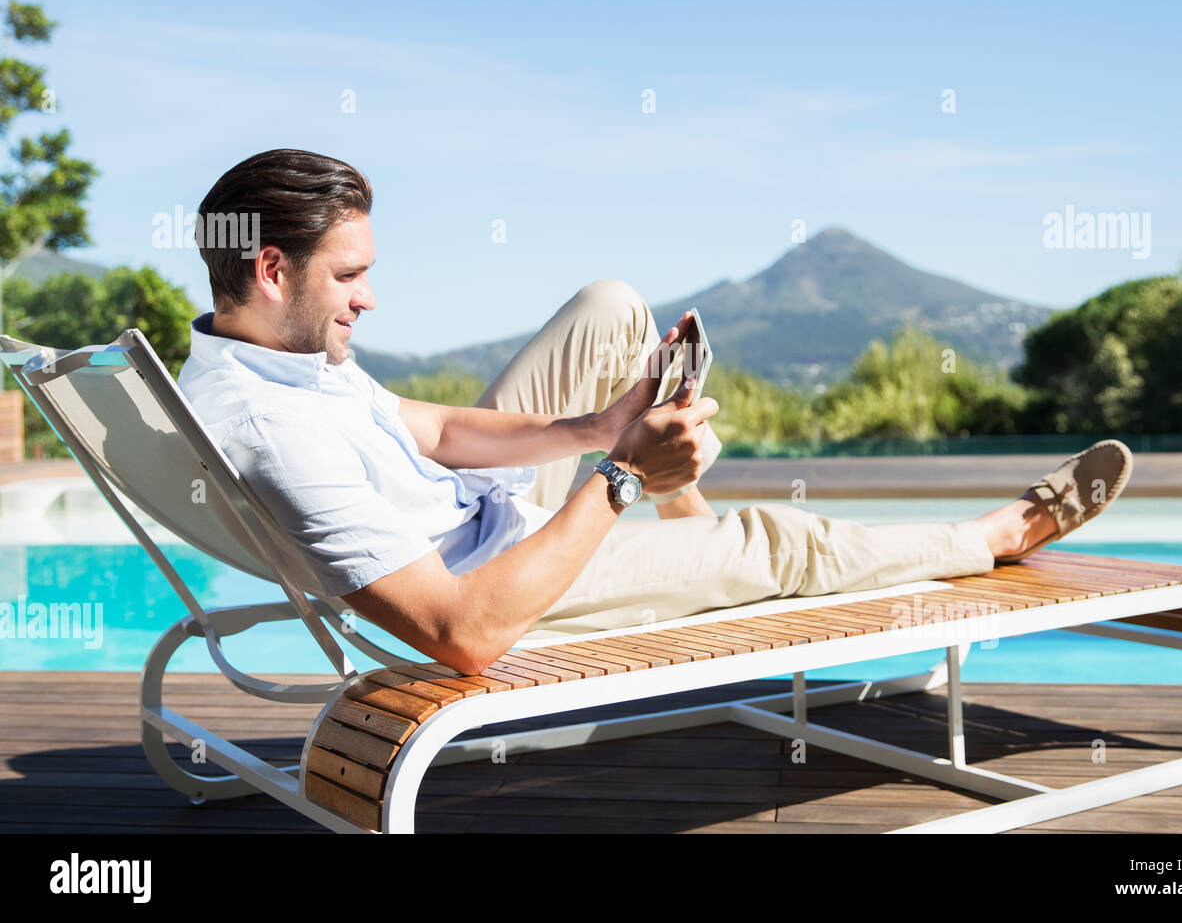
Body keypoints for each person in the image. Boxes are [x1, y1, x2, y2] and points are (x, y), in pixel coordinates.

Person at [178, 149, 1133, 675]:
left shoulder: (273, 353)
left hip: (490, 509)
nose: (369, 299)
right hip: (508, 580)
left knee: (611, 306)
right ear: (271, 269)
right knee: (778, 542)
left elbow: (426, 431)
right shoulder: (272, 430)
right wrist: (624, 476)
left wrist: (599, 429)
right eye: (350, 277)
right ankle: (999, 530)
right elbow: (463, 633)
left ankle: (690, 535)